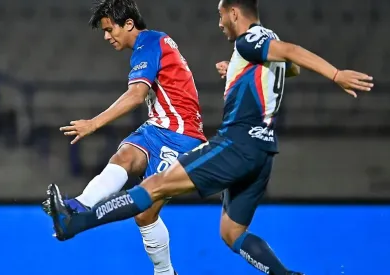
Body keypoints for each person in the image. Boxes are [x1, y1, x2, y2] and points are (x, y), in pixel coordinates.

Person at [45, 0, 373, 274]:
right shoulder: (261, 41)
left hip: (227, 141)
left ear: (233, 13)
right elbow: (291, 66)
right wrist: (236, 67)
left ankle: (76, 223)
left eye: (220, 15)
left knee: (150, 191)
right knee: (232, 233)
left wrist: (335, 74)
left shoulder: (247, 39)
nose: (219, 24)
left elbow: (291, 50)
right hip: (263, 151)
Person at [43, 0, 206, 274]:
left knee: (145, 213)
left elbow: (136, 95)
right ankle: (78, 205)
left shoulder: (150, 43)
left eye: (109, 29)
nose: (107, 36)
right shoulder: (152, 44)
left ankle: (165, 273)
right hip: (157, 129)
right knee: (125, 155)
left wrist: (93, 124)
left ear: (129, 23)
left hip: (182, 136)